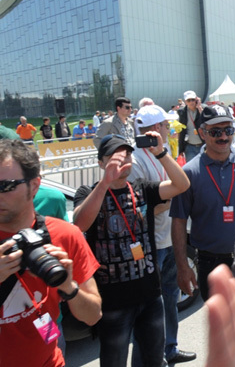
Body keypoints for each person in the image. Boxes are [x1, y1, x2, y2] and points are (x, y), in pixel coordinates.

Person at [73, 134, 190, 366]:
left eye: (127, 153)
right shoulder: (88, 192)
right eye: (115, 156)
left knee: (153, 360)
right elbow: (79, 224)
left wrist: (161, 154)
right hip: (113, 300)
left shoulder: (142, 188)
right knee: (114, 361)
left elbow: (181, 185)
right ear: (100, 162)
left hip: (149, 295)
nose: (123, 159)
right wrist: (106, 182)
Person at [0, 140, 102, 367]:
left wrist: (68, 286)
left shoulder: (65, 235)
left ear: (34, 186)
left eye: (4, 187)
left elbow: (93, 315)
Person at [128, 104, 196, 365]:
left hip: (169, 239)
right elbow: (140, 207)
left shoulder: (159, 153)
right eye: (167, 125)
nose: (169, 129)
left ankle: (170, 348)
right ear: (156, 128)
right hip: (151, 245)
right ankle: (152, 357)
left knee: (170, 299)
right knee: (149, 309)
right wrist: (172, 199)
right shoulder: (134, 160)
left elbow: (178, 186)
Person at [170, 104, 235, 301]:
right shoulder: (189, 173)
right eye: (215, 131)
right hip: (210, 263)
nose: (223, 137)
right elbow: (178, 221)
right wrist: (183, 267)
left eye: (228, 130)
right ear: (202, 133)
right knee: (220, 324)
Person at [177, 90, 207, 160]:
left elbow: (207, 121)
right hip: (189, 146)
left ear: (196, 99)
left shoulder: (203, 108)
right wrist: (181, 150)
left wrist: (199, 107)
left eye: (193, 100)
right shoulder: (182, 112)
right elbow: (181, 131)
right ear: (185, 102)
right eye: (188, 100)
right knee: (191, 169)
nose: (191, 102)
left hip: (203, 145)